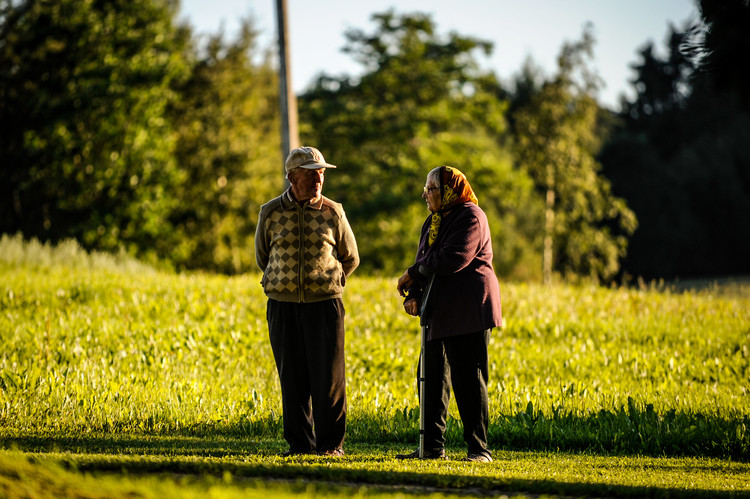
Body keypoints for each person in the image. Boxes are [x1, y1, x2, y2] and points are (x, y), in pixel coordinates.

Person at [255, 146, 359, 457]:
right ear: (291, 177)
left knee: (329, 377)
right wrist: (283, 281)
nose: (318, 179)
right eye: (311, 173)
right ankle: (300, 445)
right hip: (282, 305)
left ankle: (330, 446)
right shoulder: (270, 212)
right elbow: (262, 256)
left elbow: (350, 257)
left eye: (321, 173)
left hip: (324, 304)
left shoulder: (333, 211)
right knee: (292, 377)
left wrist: (331, 280)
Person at [396, 165, 502, 463]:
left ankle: (479, 450)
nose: (425, 195)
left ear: (449, 191)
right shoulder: (434, 221)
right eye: (426, 189)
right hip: (439, 309)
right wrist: (414, 295)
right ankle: (431, 448)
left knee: (468, 378)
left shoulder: (471, 216)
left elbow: (452, 259)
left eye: (431, 189)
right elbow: (424, 259)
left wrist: (412, 273)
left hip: (469, 308)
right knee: (429, 376)